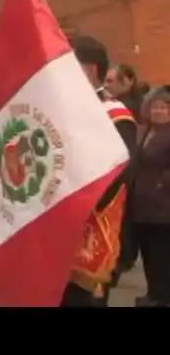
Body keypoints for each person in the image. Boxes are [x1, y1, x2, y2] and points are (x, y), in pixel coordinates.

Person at [62, 36, 137, 307]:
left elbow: (119, 174)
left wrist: (77, 206)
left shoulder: (115, 115)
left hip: (89, 230)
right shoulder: (59, 110)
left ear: (90, 70)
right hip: (52, 232)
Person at [131, 86, 170, 307]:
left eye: (163, 107)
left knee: (161, 255)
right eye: (155, 106)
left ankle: (161, 297)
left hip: (163, 207)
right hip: (142, 205)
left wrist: (162, 182)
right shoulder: (145, 132)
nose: (158, 110)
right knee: (147, 253)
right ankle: (153, 292)